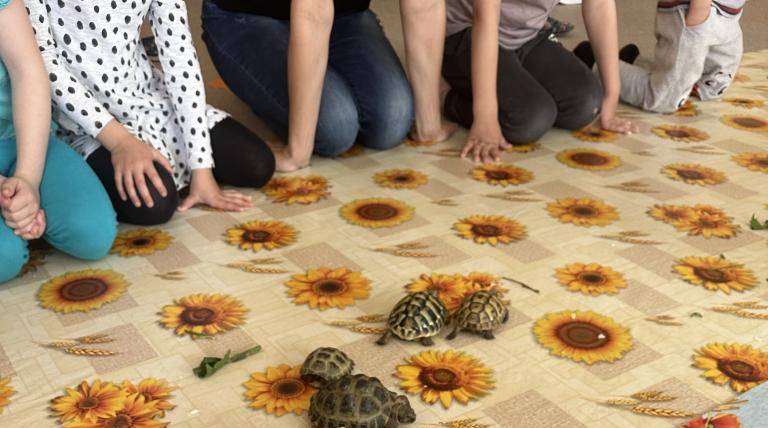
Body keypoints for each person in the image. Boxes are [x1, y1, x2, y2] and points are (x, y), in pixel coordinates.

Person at [25, 0, 275, 226]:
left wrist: (202, 167)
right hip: (83, 123)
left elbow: (179, 56)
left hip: (145, 98)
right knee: (155, 206)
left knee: (258, 164)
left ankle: (178, 168)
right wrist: (120, 142)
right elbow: (44, 65)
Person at [202, 0, 454, 170]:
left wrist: (428, 126)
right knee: (336, 128)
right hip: (245, 16)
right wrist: (297, 153)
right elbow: (313, 12)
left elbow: (425, 5)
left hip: (344, 18)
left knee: (393, 120)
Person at [0, 0, 115, 282]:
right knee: (4, 258)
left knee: (92, 234)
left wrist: (28, 178)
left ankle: (24, 215)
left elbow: (27, 70)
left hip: (20, 138)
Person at [442, 0, 637, 160]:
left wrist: (611, 95)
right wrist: (485, 117)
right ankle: (444, 95)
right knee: (529, 120)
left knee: (587, 104)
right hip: (467, 34)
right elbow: (484, 18)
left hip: (526, 36)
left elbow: (599, 5)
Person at [610, 0, 746, 113]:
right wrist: (697, 14)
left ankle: (633, 60)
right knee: (663, 98)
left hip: (728, 12)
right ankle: (599, 64)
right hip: (694, 11)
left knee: (714, 85)